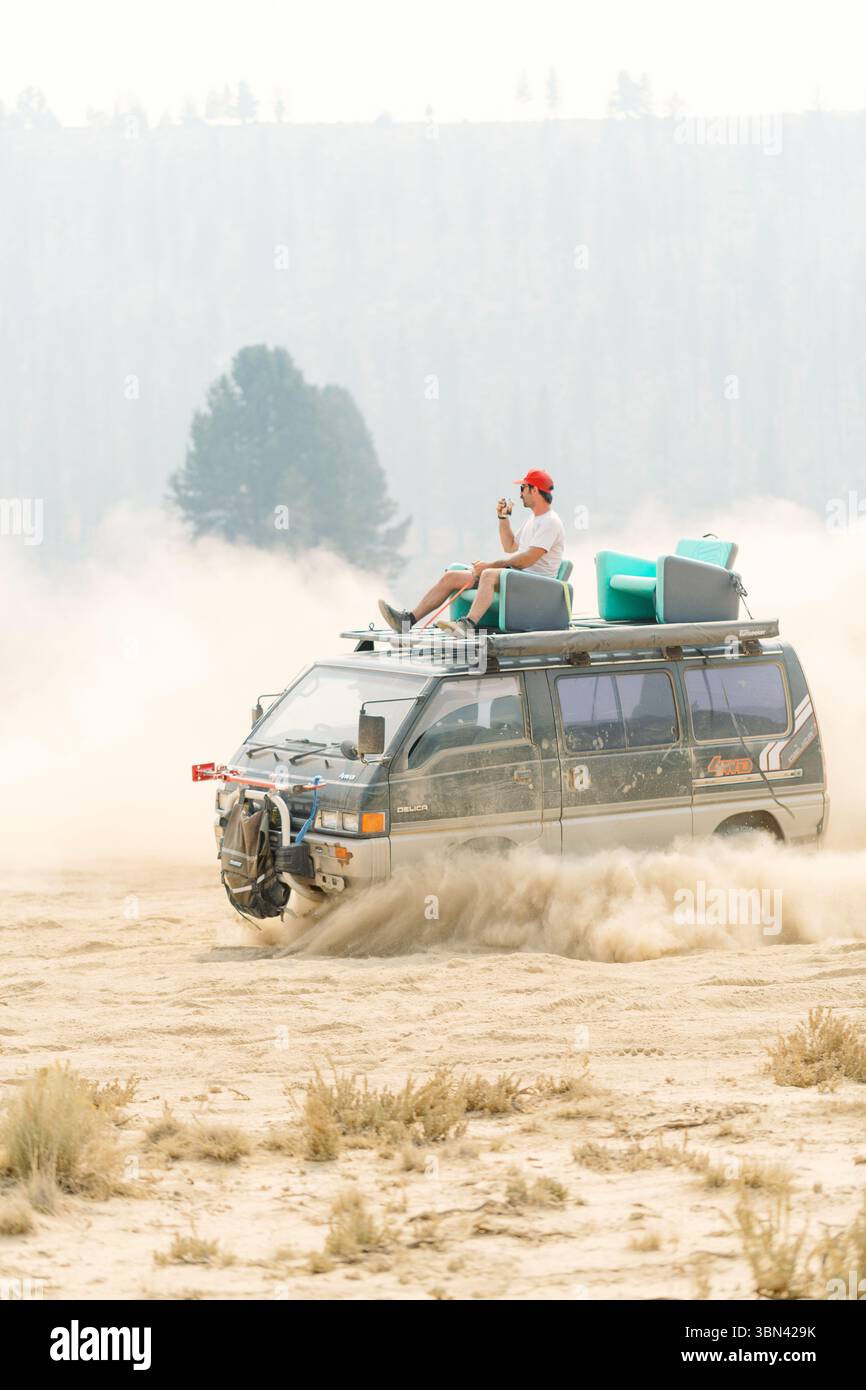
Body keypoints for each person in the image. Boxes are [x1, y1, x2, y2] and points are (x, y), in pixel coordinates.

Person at [377, 469, 566, 636]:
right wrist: (503, 518)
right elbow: (509, 546)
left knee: (489, 575)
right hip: (518, 577)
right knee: (451, 577)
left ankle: (467, 625)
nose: (520, 493)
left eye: (523, 488)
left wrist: (489, 566)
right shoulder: (533, 520)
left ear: (534, 490)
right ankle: (407, 621)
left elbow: (527, 559)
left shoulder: (550, 522)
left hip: (535, 585)